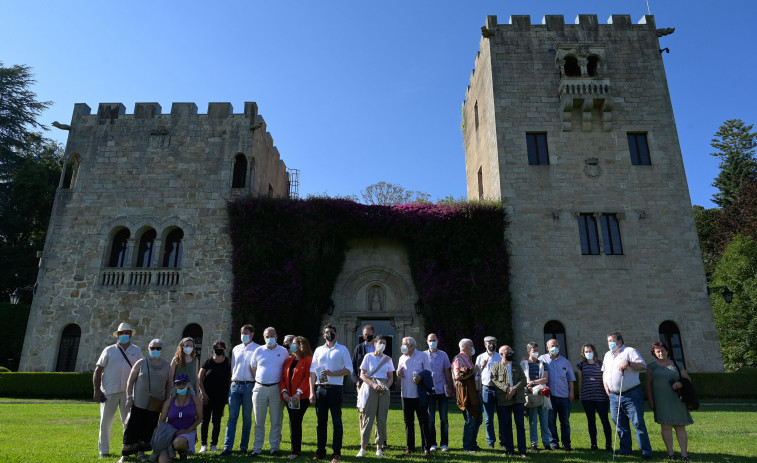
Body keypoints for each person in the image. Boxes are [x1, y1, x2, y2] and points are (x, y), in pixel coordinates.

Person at [93, 322, 142, 458]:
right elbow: (98, 370)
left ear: (130, 334)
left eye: (127, 333)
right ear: (118, 335)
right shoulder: (109, 350)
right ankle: (104, 451)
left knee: (128, 423)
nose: (124, 335)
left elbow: (141, 371)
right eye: (121, 333)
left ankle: (128, 450)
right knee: (105, 422)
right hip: (109, 391)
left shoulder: (136, 351)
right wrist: (97, 390)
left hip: (128, 393)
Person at [120, 339, 172, 463]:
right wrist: (129, 398)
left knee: (148, 429)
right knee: (131, 429)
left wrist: (167, 400)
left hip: (155, 404)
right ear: (148, 349)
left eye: (158, 348)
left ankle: (141, 453)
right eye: (152, 348)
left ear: (162, 350)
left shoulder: (167, 366)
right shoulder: (141, 362)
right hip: (138, 403)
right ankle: (125, 455)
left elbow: (169, 383)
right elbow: (130, 381)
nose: (155, 350)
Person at [602, 331, 652, 459]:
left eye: (612, 341)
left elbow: (643, 366)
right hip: (613, 396)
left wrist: (629, 363)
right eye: (608, 341)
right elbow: (604, 372)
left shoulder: (629, 351)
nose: (610, 343)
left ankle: (646, 451)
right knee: (619, 423)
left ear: (619, 341)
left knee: (638, 423)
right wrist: (606, 386)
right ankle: (625, 450)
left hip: (631, 394)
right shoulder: (607, 355)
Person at [309, 323, 353, 463]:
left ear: (336, 334)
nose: (329, 334)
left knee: (337, 422)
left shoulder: (342, 349)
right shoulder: (318, 350)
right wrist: (312, 392)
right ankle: (320, 452)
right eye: (327, 332)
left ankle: (336, 453)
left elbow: (349, 369)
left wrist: (332, 373)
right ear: (323, 335)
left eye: (332, 332)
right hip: (320, 389)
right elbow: (312, 372)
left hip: (335, 388)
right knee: (321, 423)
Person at [646, 341, 693, 461]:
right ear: (654, 353)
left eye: (662, 350)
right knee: (665, 427)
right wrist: (651, 401)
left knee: (680, 427)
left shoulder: (677, 364)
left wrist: (680, 383)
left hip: (677, 400)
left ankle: (684, 454)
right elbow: (648, 385)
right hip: (661, 401)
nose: (661, 353)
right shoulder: (651, 367)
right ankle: (670, 453)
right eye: (658, 351)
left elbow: (688, 380)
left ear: (667, 351)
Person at [221, 324, 261, 456]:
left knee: (247, 418)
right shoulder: (236, 349)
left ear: (252, 334)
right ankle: (227, 447)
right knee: (232, 417)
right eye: (242, 332)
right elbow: (233, 367)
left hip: (249, 385)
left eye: (246, 332)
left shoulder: (257, 349)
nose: (244, 335)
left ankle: (244, 447)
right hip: (235, 385)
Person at [250, 327, 288, 456]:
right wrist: (260, 379)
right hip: (259, 388)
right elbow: (253, 367)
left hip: (276, 388)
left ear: (276, 336)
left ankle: (274, 448)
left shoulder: (283, 351)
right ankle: (257, 449)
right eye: (267, 336)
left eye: (272, 336)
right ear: (263, 337)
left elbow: (286, 369)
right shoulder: (258, 350)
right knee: (258, 421)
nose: (269, 338)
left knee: (276, 421)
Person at [356, 335, 395, 458]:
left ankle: (379, 447)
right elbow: (362, 375)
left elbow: (391, 378)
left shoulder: (388, 359)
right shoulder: (368, 357)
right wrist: (373, 384)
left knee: (382, 419)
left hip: (383, 389)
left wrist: (386, 387)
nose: (382, 345)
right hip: (370, 387)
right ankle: (363, 447)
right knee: (368, 417)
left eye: (384, 343)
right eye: (380, 342)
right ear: (375, 344)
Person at [397, 336, 432, 455]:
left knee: (423, 421)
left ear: (412, 346)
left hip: (419, 394)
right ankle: (410, 447)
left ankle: (426, 447)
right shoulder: (401, 357)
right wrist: (399, 373)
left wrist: (420, 377)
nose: (403, 346)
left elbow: (428, 371)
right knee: (408, 422)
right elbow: (399, 371)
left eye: (405, 344)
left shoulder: (422, 356)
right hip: (405, 394)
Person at [156, 374, 203, 462]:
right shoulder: (169, 401)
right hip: (171, 433)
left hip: (188, 432)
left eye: (184, 383)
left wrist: (188, 430)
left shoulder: (195, 399)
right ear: (175, 386)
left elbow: (200, 418)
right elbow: (162, 420)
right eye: (178, 384)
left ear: (188, 384)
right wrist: (169, 433)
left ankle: (183, 452)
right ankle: (171, 451)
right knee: (163, 461)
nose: (181, 386)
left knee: (178, 442)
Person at [280, 336, 314, 460]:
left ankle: (295, 451)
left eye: (294, 344)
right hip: (289, 397)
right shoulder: (288, 360)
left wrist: (298, 393)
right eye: (292, 344)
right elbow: (283, 378)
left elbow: (307, 377)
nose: (291, 346)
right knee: (293, 422)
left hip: (301, 397)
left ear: (301, 346)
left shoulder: (308, 360)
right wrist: (284, 392)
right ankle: (295, 449)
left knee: (295, 422)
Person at [539, 338, 575, 451]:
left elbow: (571, 378)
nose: (555, 347)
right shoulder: (542, 359)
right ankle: (554, 442)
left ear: (559, 347)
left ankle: (566, 444)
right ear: (547, 348)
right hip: (549, 397)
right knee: (551, 421)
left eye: (557, 345)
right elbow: (533, 364)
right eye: (552, 345)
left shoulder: (565, 361)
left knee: (565, 421)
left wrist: (572, 392)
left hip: (564, 396)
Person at [491, 345, 527, 457]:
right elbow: (494, 380)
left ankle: (522, 450)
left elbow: (523, 379)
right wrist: (507, 389)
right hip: (504, 399)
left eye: (511, 351)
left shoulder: (517, 365)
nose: (511, 353)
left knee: (520, 424)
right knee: (506, 424)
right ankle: (509, 449)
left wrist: (514, 389)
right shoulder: (496, 367)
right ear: (501, 354)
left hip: (518, 399)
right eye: (508, 352)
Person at [576, 343, 612, 451]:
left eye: (590, 351)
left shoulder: (602, 364)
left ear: (594, 351)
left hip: (601, 398)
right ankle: (594, 444)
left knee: (605, 421)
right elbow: (580, 381)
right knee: (591, 421)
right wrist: (581, 395)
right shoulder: (581, 365)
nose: (588, 353)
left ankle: (608, 445)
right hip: (587, 398)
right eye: (586, 352)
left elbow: (605, 379)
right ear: (583, 353)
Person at [198, 340, 231, 453]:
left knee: (216, 421)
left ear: (224, 349)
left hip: (220, 397)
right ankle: (203, 445)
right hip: (207, 396)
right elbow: (199, 379)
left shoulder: (228, 362)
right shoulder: (208, 362)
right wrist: (203, 393)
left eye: (221, 347)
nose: (219, 349)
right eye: (217, 347)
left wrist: (227, 395)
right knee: (205, 420)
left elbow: (230, 380)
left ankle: (214, 444)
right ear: (213, 349)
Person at [424, 333, 454, 452]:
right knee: (430, 419)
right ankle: (432, 443)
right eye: (430, 340)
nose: (432, 342)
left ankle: (444, 444)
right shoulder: (423, 355)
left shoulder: (444, 355)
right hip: (429, 391)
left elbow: (447, 372)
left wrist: (450, 387)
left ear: (438, 341)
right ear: (427, 341)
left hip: (442, 390)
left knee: (444, 418)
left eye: (434, 340)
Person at [452, 338, 482, 453]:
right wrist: (473, 370)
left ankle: (473, 443)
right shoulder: (458, 359)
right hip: (466, 394)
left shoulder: (469, 359)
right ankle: (467, 446)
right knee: (470, 420)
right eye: (471, 345)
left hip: (475, 393)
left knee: (478, 419)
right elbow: (458, 376)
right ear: (465, 347)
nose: (473, 348)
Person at [520, 342, 551, 452]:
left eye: (537, 350)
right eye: (534, 351)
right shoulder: (523, 364)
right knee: (533, 420)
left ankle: (547, 443)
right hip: (530, 395)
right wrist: (527, 386)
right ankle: (534, 444)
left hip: (542, 394)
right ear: (529, 352)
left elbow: (545, 379)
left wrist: (533, 382)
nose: (536, 353)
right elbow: (522, 378)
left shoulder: (542, 363)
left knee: (544, 420)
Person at [476, 335, 502, 449]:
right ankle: (490, 441)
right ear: (485, 344)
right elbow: (476, 374)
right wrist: (482, 366)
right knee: (488, 418)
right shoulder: (480, 357)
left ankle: (504, 441)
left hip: (499, 389)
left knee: (502, 416)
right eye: (489, 343)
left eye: (493, 342)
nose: (491, 345)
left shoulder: (500, 357)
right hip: (486, 388)